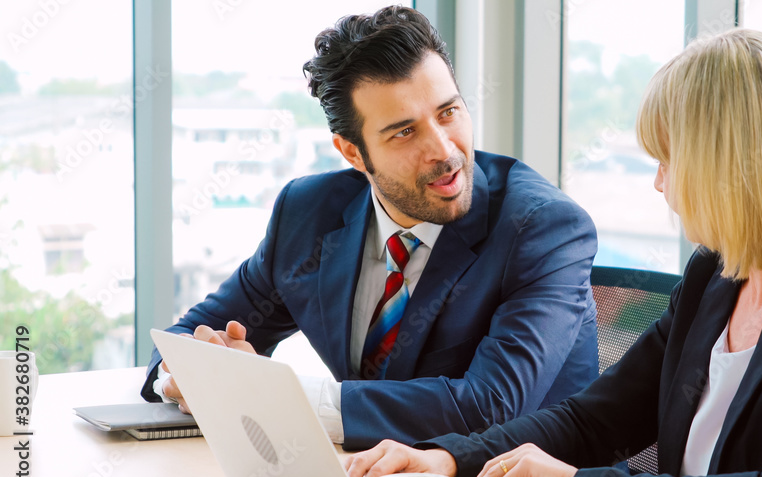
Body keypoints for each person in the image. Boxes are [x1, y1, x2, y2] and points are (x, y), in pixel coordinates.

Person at [343, 29, 762, 477]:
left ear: (730, 167)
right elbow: (594, 420)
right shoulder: (715, 277)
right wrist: (446, 459)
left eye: (669, 160)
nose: (659, 182)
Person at [140, 6, 599, 451]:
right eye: (404, 132)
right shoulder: (308, 214)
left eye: (448, 112)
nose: (443, 150)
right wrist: (188, 374)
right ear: (353, 153)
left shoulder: (544, 228)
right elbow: (194, 333)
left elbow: (489, 406)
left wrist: (280, 399)